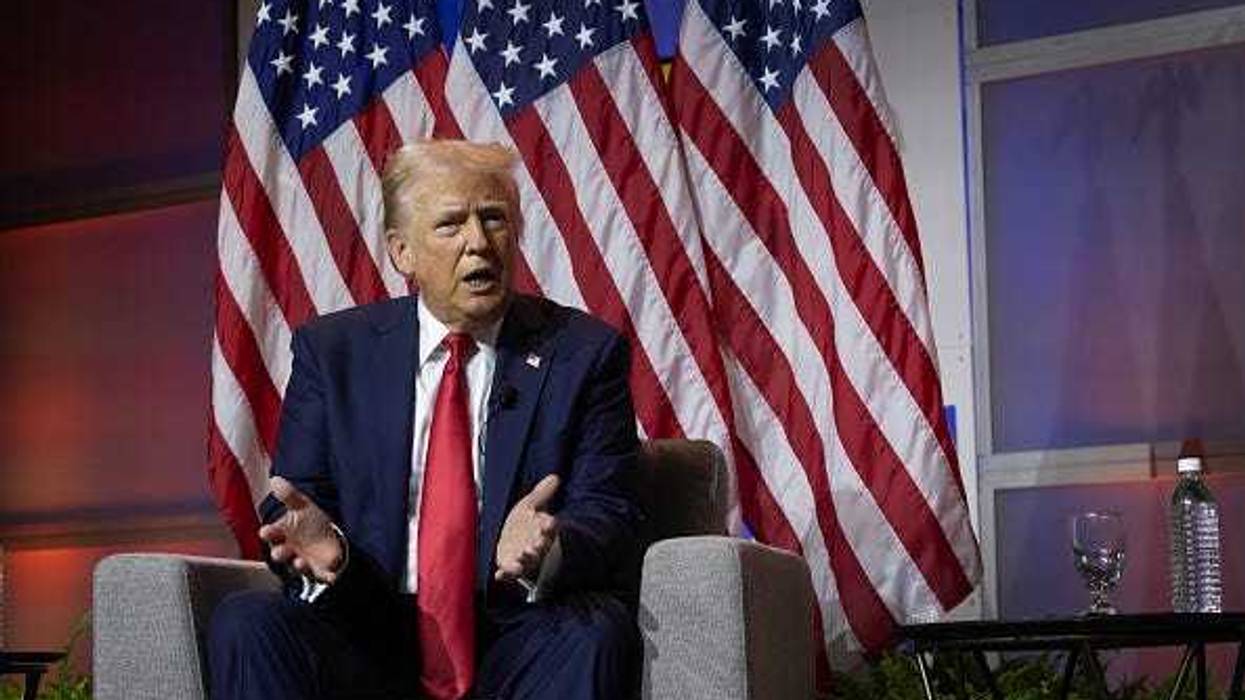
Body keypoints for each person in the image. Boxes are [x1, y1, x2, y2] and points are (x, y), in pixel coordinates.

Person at [208, 140, 642, 700]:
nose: (478, 243)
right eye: (450, 225)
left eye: (494, 219)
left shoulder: (582, 353)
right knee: (248, 623)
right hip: (369, 626)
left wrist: (552, 546)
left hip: (516, 629)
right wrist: (329, 548)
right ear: (402, 252)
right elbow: (299, 501)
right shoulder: (333, 351)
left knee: (595, 633)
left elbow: (611, 509)